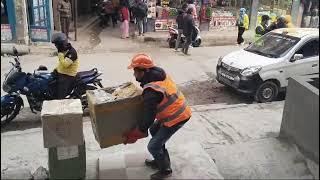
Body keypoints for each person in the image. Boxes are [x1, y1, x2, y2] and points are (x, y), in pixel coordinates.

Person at [124, 53, 192, 179]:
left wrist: (138, 131)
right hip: (177, 110)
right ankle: (160, 159)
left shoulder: (151, 91)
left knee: (153, 146)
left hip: (177, 117)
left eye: (135, 71)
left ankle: (165, 170)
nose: (134, 74)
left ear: (144, 71)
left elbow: (149, 117)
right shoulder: (159, 74)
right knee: (154, 130)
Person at [51, 32, 79, 99]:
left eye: (56, 44)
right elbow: (61, 63)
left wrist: (60, 55)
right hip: (61, 72)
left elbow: (65, 64)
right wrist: (57, 69)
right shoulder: (63, 49)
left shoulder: (72, 52)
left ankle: (61, 104)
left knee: (60, 96)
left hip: (68, 75)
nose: (56, 46)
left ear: (61, 44)